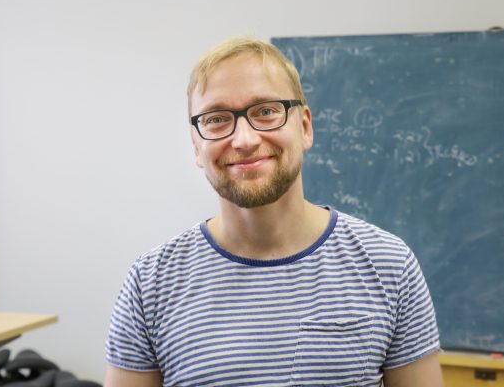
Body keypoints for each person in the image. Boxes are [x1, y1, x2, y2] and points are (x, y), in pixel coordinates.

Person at [104, 37, 442, 387]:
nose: (245, 140)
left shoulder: (389, 265)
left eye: (266, 111)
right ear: (196, 146)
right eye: (217, 119)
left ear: (305, 127)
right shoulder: (150, 284)